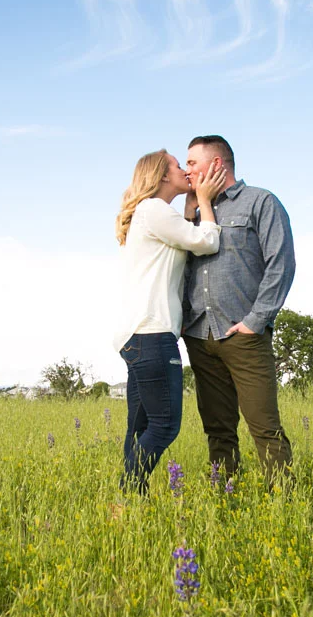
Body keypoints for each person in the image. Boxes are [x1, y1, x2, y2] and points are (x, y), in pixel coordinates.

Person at [180, 135, 296, 487]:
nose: (187, 172)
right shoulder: (195, 213)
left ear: (217, 164)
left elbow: (282, 263)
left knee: (264, 426)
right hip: (200, 335)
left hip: (243, 334)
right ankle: (225, 499)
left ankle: (284, 504)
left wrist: (255, 321)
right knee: (217, 427)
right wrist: (190, 213)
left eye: (192, 163)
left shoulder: (260, 202)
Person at [114, 149, 226, 494]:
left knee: (141, 426)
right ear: (163, 176)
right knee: (163, 426)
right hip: (153, 335)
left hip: (137, 335)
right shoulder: (154, 210)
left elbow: (179, 243)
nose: (185, 171)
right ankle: (128, 491)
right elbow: (206, 241)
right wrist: (205, 201)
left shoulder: (152, 215)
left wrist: (190, 209)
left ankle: (132, 502)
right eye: (179, 166)